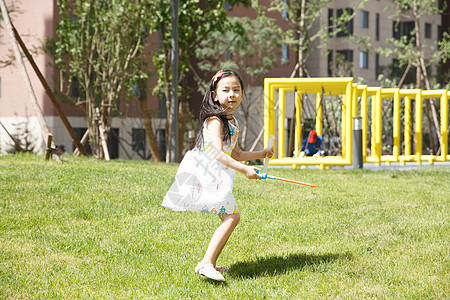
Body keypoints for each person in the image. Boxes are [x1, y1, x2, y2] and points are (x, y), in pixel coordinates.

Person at [162, 69, 274, 282]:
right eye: (226, 90)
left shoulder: (233, 122)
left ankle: (210, 263)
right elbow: (216, 153)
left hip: (216, 174)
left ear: (242, 94)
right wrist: (244, 171)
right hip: (206, 175)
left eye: (236, 90)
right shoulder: (215, 120)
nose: (232, 94)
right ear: (215, 95)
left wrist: (261, 154)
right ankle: (206, 263)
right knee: (232, 217)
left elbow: (236, 154)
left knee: (229, 217)